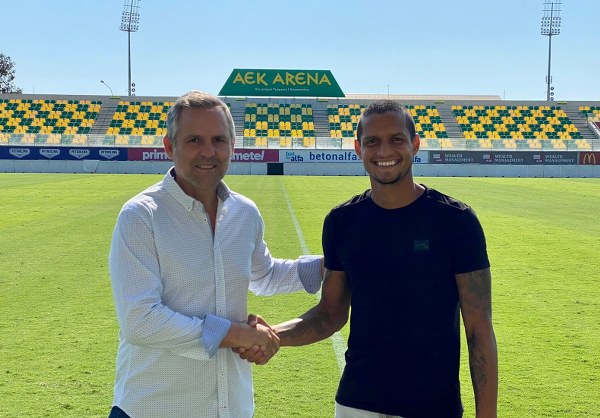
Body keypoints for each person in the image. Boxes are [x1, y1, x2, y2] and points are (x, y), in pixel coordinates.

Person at [269, 100, 498, 417]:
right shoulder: (341, 222)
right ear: (358, 149)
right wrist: (272, 335)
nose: (384, 151)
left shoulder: (455, 221)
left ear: (414, 144)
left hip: (432, 406)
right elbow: (330, 314)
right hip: (356, 403)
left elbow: (478, 328)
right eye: (372, 141)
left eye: (396, 139)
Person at [107, 90, 322, 418]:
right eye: (194, 140)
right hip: (154, 407)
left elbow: (264, 275)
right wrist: (237, 334)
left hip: (231, 407)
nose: (208, 151)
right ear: (169, 147)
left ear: (232, 146)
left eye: (218, 140)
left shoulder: (244, 213)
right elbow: (141, 320)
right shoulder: (141, 216)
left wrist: (331, 265)